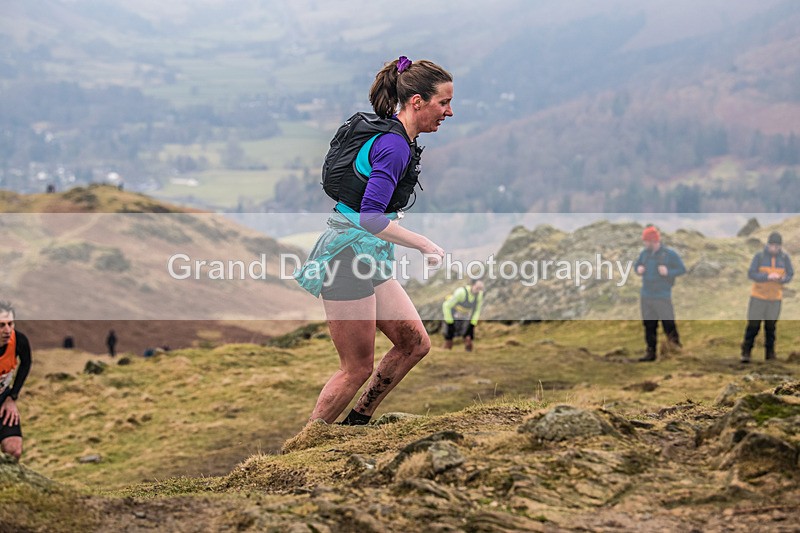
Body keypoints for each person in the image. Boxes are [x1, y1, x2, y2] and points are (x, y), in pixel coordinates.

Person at [293, 56, 452, 426]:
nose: (449, 111)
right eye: (443, 102)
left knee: (414, 344)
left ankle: (357, 422)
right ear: (417, 102)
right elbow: (369, 217)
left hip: (368, 254)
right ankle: (304, 444)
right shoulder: (394, 146)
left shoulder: (400, 140)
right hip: (346, 257)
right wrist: (424, 244)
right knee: (355, 368)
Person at [633, 226, 686, 362]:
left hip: (662, 296)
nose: (644, 243)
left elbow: (682, 269)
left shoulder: (669, 254)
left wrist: (668, 272)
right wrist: (638, 269)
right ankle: (650, 353)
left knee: (668, 323)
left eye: (645, 240)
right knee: (649, 325)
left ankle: (675, 349)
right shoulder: (644, 254)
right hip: (646, 295)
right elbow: (636, 265)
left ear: (652, 241)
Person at [741, 231, 793, 363]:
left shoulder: (785, 258)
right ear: (768, 245)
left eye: (777, 246)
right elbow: (751, 273)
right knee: (753, 326)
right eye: (772, 245)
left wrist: (782, 279)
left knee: (771, 328)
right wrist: (767, 277)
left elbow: (790, 274)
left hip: (775, 299)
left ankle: (770, 355)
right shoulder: (759, 256)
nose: (775, 248)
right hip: (758, 297)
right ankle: (746, 352)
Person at [0, 302, 32, 461]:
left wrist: (12, 397)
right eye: (1, 325)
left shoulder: (19, 340)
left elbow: (26, 363)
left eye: (10, 324)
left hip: (3, 400)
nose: (7, 330)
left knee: (14, 450)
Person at [442, 279, 485, 351]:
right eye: (477, 288)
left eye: (481, 289)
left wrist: (473, 323)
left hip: (465, 315)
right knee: (449, 334)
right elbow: (446, 306)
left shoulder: (479, 295)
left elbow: (477, 310)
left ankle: (468, 350)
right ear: (472, 285)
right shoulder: (461, 292)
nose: (479, 291)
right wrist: (449, 321)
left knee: (468, 333)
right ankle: (447, 348)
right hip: (452, 313)